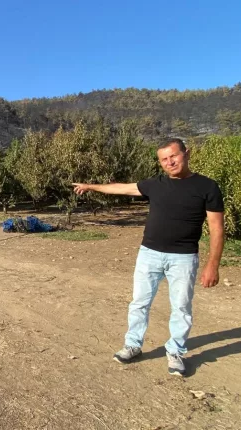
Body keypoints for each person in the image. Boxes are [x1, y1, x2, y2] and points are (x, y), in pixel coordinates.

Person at [72, 138, 224, 376]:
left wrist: (212, 265)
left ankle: (175, 352)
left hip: (183, 258)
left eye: (173, 156)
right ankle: (133, 345)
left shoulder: (207, 187)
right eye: (164, 159)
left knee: (181, 307)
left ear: (187, 154)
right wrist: (91, 186)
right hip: (149, 254)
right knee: (139, 302)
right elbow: (123, 188)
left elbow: (217, 228)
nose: (169, 162)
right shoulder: (155, 184)